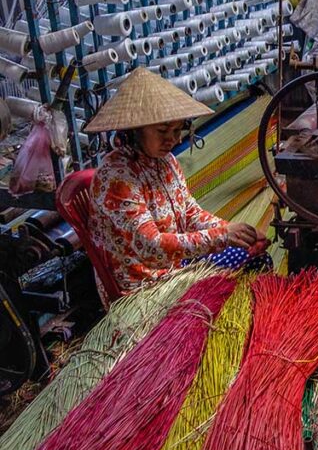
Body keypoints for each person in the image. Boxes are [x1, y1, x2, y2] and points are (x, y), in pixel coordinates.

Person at [84, 68, 271, 295]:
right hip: (145, 285)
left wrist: (232, 231)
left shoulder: (166, 161)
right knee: (252, 265)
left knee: (256, 253)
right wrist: (222, 237)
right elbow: (152, 246)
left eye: (177, 129)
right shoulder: (117, 178)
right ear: (134, 131)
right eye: (162, 130)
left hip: (173, 265)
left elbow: (190, 213)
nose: (172, 139)